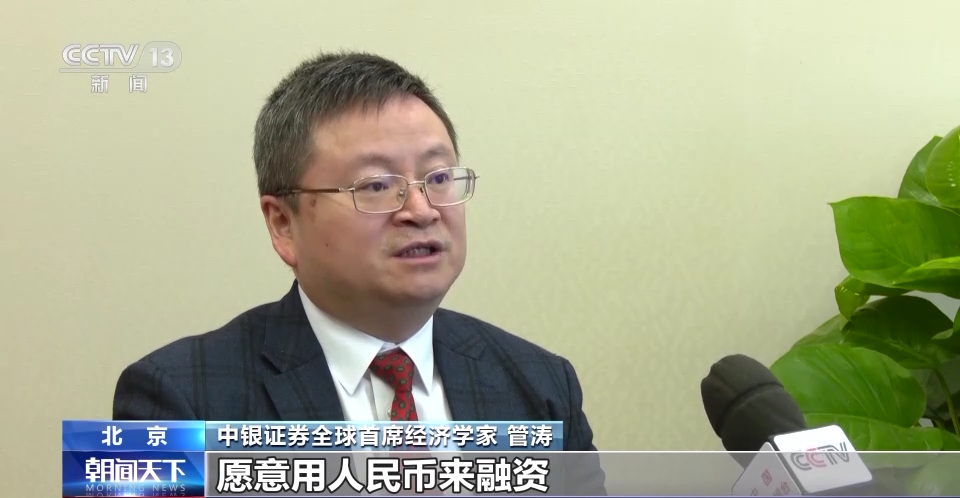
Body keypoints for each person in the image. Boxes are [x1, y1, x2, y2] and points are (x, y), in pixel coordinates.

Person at [113, 50, 605, 494]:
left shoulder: (540, 385)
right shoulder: (181, 399)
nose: (421, 210)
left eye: (438, 178)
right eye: (375, 186)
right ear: (283, 224)